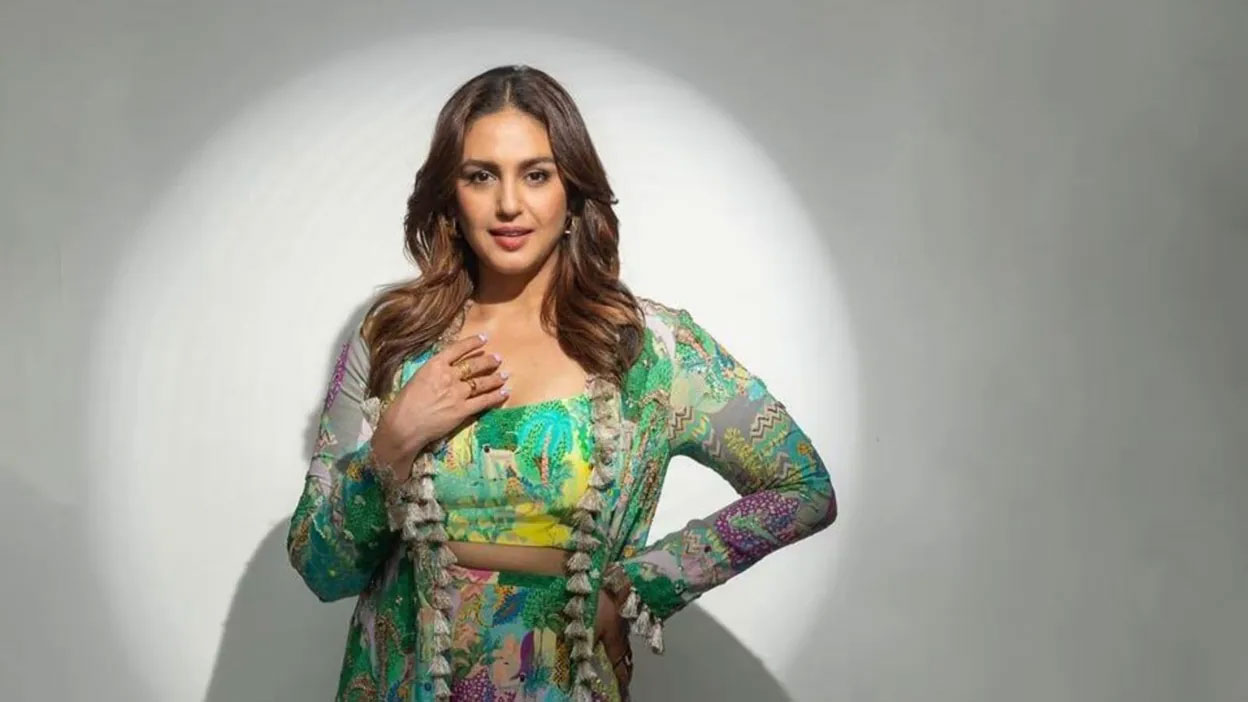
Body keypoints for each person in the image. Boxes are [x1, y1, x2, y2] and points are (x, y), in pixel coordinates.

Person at [286, 64, 838, 702]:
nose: (509, 204)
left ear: (572, 194)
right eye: (480, 175)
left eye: (536, 175)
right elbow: (319, 568)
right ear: (450, 195)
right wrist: (393, 442)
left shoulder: (648, 348)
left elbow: (803, 488)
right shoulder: (392, 339)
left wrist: (637, 586)